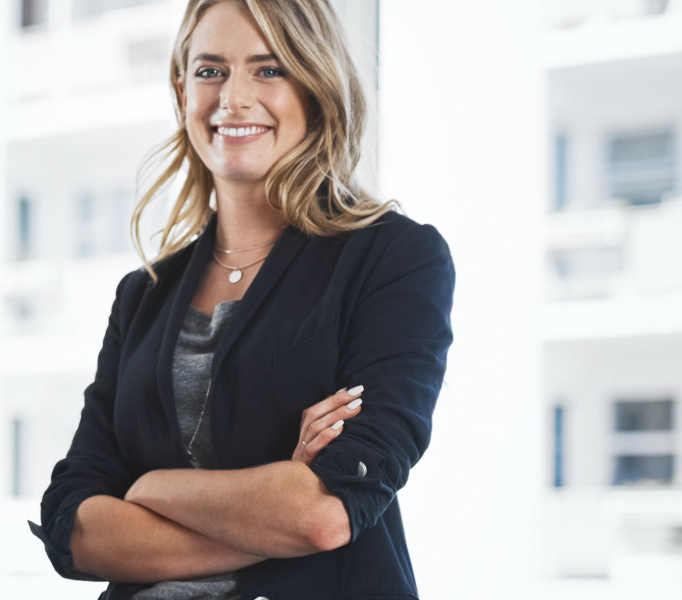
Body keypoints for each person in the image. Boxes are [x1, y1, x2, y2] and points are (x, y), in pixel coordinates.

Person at [32, 0, 456, 598]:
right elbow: (75, 530)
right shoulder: (142, 297)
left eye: (269, 69)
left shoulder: (393, 259)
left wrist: (152, 487)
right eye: (210, 71)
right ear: (182, 90)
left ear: (316, 84)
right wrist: (274, 503)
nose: (233, 97)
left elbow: (326, 512)